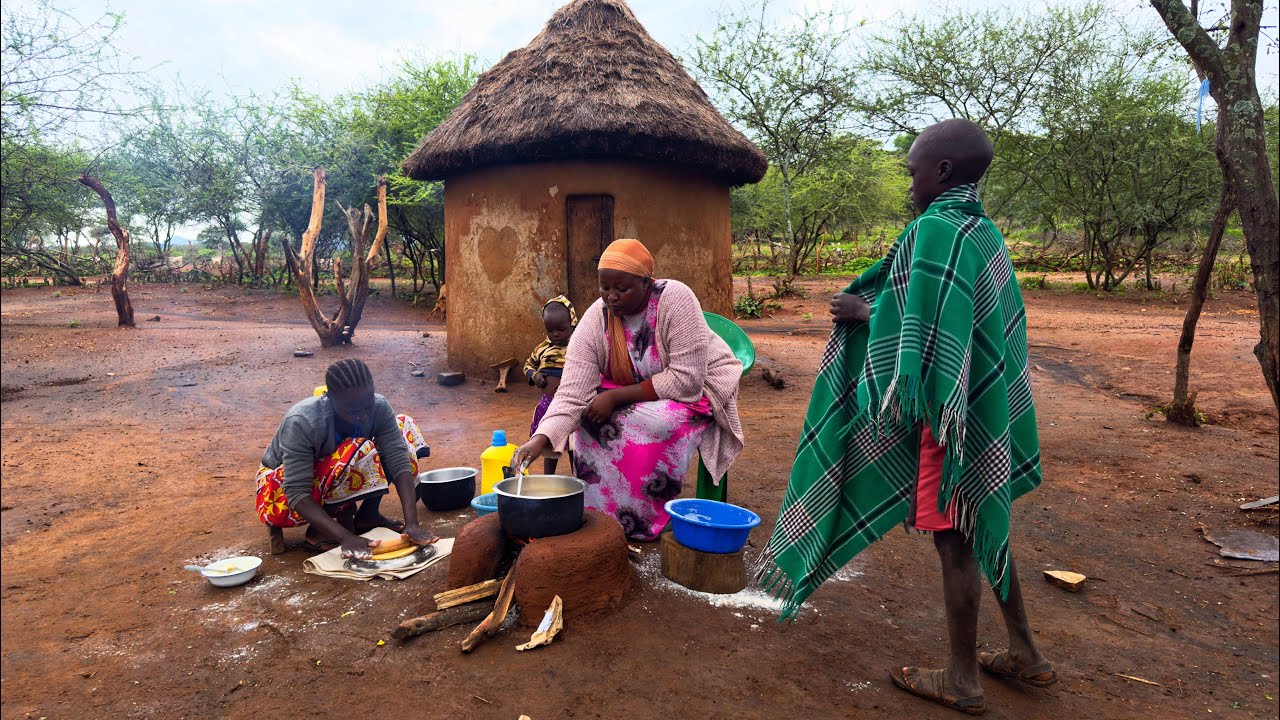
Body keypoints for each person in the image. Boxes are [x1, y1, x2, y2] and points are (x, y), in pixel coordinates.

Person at [757, 119, 1056, 716]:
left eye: (914, 168)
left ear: (942, 171)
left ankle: (963, 679)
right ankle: (1026, 654)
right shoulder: (981, 230)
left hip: (951, 414)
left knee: (955, 541)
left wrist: (862, 311)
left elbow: (925, 333)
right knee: (979, 519)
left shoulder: (938, 231)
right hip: (979, 404)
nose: (909, 180)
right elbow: (968, 323)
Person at [511, 239, 744, 541]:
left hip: (698, 387)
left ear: (646, 282)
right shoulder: (597, 318)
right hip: (633, 388)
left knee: (659, 422)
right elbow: (571, 392)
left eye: (621, 289)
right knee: (586, 420)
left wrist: (616, 396)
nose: (611, 297)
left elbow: (687, 380)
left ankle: (644, 519)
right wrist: (539, 439)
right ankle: (604, 518)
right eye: (605, 288)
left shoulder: (675, 299)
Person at [255, 358, 439, 559]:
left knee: (402, 429)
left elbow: (398, 459)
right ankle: (319, 532)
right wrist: (346, 537)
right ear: (330, 398)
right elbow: (296, 491)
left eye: (367, 406)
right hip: (278, 493)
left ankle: (368, 516)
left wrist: (412, 523)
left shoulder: (379, 407)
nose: (362, 415)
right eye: (352, 410)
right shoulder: (303, 421)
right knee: (358, 449)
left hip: (334, 474)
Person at [522, 295, 578, 475]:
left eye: (561, 329)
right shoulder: (542, 348)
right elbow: (528, 365)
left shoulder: (579, 345)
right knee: (548, 441)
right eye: (550, 330)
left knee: (574, 443)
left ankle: (576, 475)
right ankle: (548, 478)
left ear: (573, 323)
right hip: (548, 403)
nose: (555, 334)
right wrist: (535, 375)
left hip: (574, 403)